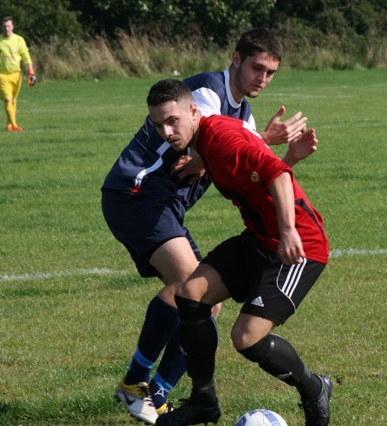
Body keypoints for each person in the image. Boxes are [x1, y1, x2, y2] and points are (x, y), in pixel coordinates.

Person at [101, 28, 317, 425]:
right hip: (137, 196)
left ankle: (156, 393)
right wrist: (266, 139)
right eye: (256, 67)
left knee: (202, 299)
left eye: (271, 73)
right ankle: (136, 388)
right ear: (235, 58)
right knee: (190, 287)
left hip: (164, 205)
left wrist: (282, 154)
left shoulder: (244, 114)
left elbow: (244, 163)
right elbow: (207, 145)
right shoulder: (206, 94)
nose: (262, 79)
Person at [148, 79, 332, 426]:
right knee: (190, 295)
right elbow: (256, 163)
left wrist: (288, 231)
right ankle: (204, 400)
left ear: (193, 111)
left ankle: (314, 388)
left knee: (246, 338)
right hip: (259, 239)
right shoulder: (207, 138)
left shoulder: (223, 140)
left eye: (172, 121)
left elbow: (275, 174)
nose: (167, 132)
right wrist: (198, 162)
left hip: (299, 246)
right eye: (158, 124)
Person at [0, 16, 36, 131]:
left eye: (8, 26)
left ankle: (9, 125)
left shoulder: (19, 40)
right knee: (8, 99)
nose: (6, 28)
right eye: (4, 26)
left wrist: (31, 72)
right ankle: (14, 124)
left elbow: (26, 56)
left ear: (13, 27)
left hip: (16, 74)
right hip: (1, 75)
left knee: (13, 100)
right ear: (1, 27)